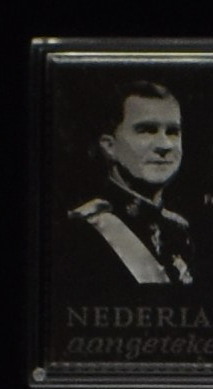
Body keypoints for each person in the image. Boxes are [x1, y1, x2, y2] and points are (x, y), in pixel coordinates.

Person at [67, 80, 194, 284]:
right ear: (110, 146)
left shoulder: (179, 231)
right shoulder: (83, 231)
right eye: (147, 130)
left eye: (173, 132)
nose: (165, 145)